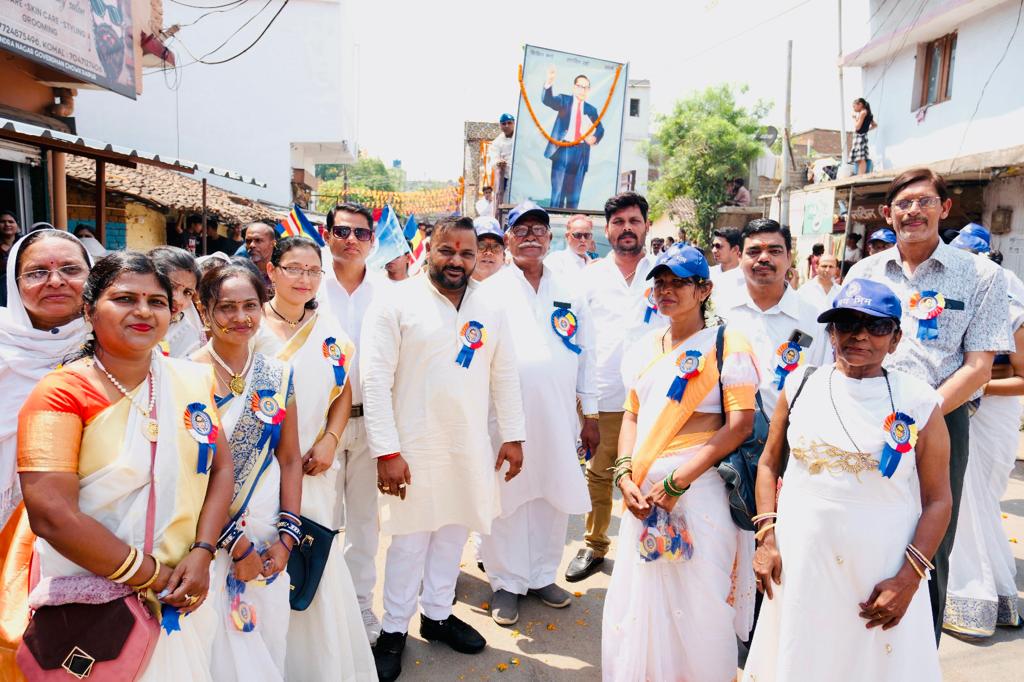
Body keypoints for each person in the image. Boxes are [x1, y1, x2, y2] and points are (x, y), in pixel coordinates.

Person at [15, 251, 236, 681]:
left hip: (180, 592)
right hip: (97, 607)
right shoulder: (59, 393)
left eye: (156, 301)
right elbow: (52, 516)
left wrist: (203, 552)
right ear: (89, 309)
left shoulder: (190, 380)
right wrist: (150, 574)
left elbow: (221, 469)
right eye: (124, 298)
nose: (143, 311)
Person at [743, 278, 951, 681]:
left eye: (875, 326)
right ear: (830, 332)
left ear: (896, 338)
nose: (858, 335)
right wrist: (767, 539)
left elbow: (939, 499)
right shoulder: (799, 384)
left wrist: (908, 580)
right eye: (846, 323)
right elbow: (768, 465)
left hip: (880, 569)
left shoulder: (920, 401)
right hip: (803, 562)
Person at [847, 167, 1011, 641]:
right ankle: (858, 643)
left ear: (944, 208)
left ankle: (919, 651)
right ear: (887, 214)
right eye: (903, 203)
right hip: (865, 410)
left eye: (923, 201)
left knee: (931, 540)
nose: (913, 211)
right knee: (863, 526)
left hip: (942, 418)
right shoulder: (865, 272)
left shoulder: (981, 275)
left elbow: (979, 366)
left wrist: (921, 415)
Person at [361, 216, 525, 682]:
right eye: (447, 250)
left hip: (468, 444)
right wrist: (387, 451)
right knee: (410, 540)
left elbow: (504, 375)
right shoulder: (395, 302)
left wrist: (513, 435)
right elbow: (375, 382)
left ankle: (436, 615)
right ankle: (394, 628)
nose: (457, 260)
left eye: (467, 253)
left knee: (453, 531)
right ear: (427, 249)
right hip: (412, 447)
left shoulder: (488, 306)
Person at [604, 244, 758, 681]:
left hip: (700, 494)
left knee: (700, 606)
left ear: (704, 289)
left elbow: (740, 426)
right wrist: (622, 473)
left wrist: (677, 483)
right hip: (643, 499)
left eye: (679, 282)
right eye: (660, 283)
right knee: (641, 601)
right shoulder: (643, 347)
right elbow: (631, 414)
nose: (667, 290)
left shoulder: (729, 344)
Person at [252, 236, 377, 679]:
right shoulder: (250, 327)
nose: (304, 279)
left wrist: (330, 438)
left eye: (312, 271)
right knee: (259, 564)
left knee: (311, 558)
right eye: (294, 269)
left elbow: (343, 391)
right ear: (272, 272)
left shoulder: (331, 335)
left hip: (313, 467)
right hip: (256, 471)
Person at [479, 202, 597, 626]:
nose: (531, 236)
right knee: (507, 500)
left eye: (539, 229)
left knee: (551, 493)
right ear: (507, 239)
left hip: (560, 414)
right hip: (504, 417)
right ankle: (506, 583)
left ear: (551, 238)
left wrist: (593, 414)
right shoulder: (489, 291)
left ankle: (542, 575)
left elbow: (589, 353)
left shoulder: (570, 287)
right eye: (521, 229)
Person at [191, 263, 302, 681]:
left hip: (269, 528)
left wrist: (287, 538)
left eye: (250, 306)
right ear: (204, 311)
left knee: (268, 637)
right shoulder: (185, 375)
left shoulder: (276, 373)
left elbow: (290, 458)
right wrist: (236, 545)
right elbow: (189, 475)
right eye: (226, 308)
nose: (240, 318)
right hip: (209, 537)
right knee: (215, 644)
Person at [0, 230, 92, 677]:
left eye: (70, 270)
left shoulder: (120, 349)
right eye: (37, 272)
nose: (54, 281)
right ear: (15, 285)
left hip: (92, 540)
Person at [566, 192, 664, 582]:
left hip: (658, 396)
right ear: (606, 230)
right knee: (600, 473)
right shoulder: (587, 278)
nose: (627, 228)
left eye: (634, 221)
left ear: (646, 226)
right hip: (605, 394)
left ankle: (653, 544)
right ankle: (595, 545)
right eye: (619, 222)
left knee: (654, 473)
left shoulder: (665, 273)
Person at [943, 243, 1024, 638]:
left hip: (986, 412)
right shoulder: (951, 302)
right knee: (967, 500)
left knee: (978, 501)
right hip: (960, 410)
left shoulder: (1013, 310)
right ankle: (980, 595)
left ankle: (975, 595)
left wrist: (976, 386)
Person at [317, 201, 388, 643]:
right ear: (327, 236)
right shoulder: (308, 286)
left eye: (361, 234)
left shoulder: (389, 292)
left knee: (365, 522)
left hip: (373, 422)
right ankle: (321, 607)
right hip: (319, 426)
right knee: (319, 517)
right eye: (342, 231)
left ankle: (361, 605)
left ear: (373, 242)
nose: (351, 240)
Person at [716, 219, 829, 423]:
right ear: (740, 257)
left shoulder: (813, 318)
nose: (764, 258)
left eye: (775, 251)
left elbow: (821, 384)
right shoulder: (720, 309)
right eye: (754, 251)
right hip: (723, 435)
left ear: (789, 258)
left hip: (789, 438)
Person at [542, 67, 605, 209]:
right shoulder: (564, 100)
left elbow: (600, 129)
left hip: (582, 151)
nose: (583, 90)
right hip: (563, 148)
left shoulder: (591, 109)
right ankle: (553, 219)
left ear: (589, 90)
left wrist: (594, 137)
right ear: (574, 87)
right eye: (580, 86)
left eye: (586, 87)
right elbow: (549, 100)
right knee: (558, 192)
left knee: (574, 195)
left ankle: (572, 223)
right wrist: (549, 83)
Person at [148, 246, 205, 358]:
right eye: (171, 286)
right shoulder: (123, 319)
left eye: (187, 292)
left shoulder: (186, 336)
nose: (177, 299)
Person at [708, 226, 744, 303]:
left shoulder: (746, 278)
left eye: (718, 246)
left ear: (735, 249)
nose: (714, 250)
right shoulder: (709, 273)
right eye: (713, 246)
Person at [243, 222, 277, 291]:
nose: (251, 245)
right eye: (248, 241)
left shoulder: (282, 274)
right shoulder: (240, 273)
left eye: (258, 240)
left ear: (272, 243)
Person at [472, 216, 506, 282]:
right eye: (481, 246)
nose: (489, 253)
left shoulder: (513, 289)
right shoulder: (455, 290)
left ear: (504, 256)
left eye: (496, 247)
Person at [850, 98, 878, 176]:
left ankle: (860, 175)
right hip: (863, 136)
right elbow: (875, 125)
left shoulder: (863, 112)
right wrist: (866, 130)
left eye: (854, 106)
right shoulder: (868, 113)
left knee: (860, 158)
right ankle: (861, 174)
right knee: (860, 158)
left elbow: (857, 127)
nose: (854, 108)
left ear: (860, 104)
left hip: (859, 137)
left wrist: (854, 118)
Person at [491, 114, 516, 202]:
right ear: (500, 126)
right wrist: (499, 162)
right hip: (505, 177)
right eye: (504, 123)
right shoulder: (497, 142)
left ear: (514, 123)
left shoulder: (521, 137)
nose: (507, 126)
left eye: (509, 123)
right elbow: (494, 159)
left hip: (521, 175)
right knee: (503, 202)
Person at [0, 210, 19, 307]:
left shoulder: (24, 244)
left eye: (11, 221)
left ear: (17, 226)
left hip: (21, 284)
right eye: (3, 221)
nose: (7, 224)